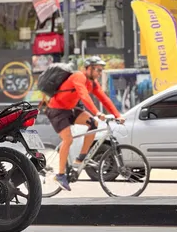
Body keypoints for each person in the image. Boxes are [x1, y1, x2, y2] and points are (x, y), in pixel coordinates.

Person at [46, 56, 125, 192]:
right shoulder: (78, 77)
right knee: (68, 139)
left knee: (93, 124)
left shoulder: (92, 83)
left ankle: (80, 159)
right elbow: (84, 96)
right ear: (89, 68)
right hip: (56, 110)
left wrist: (118, 115)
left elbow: (104, 99)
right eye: (98, 70)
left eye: (101, 70)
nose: (100, 73)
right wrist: (96, 112)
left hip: (70, 109)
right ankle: (60, 175)